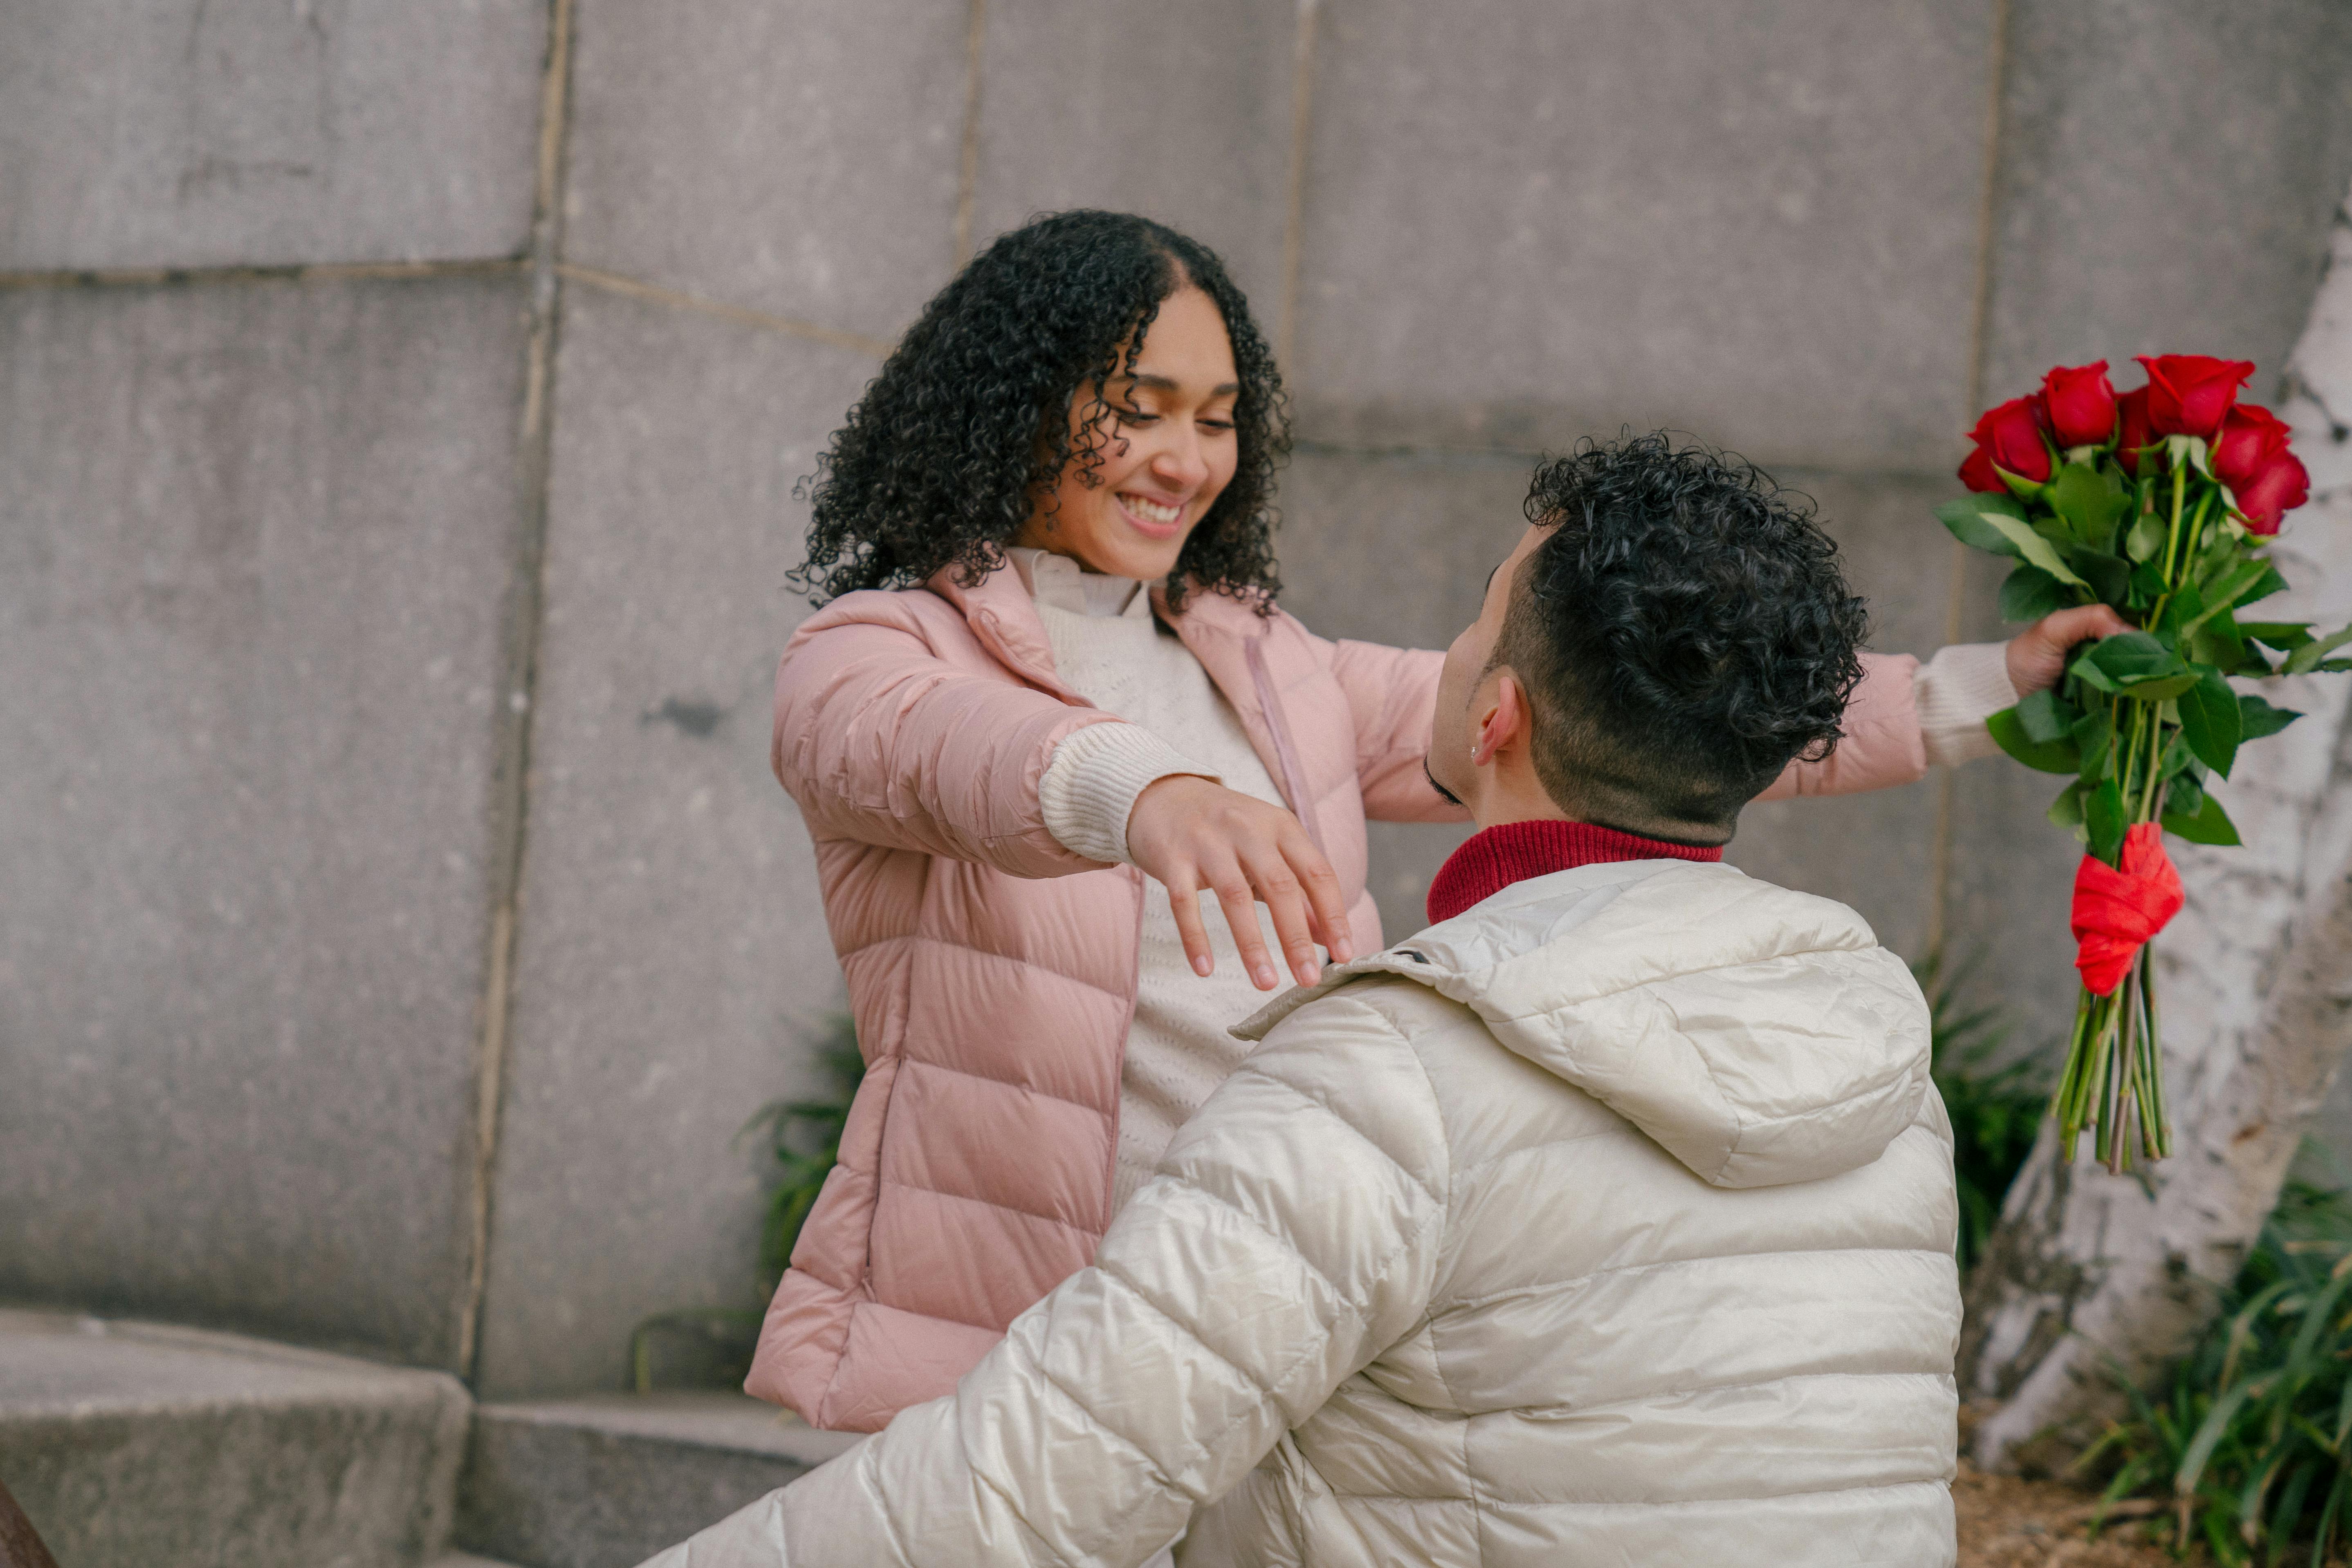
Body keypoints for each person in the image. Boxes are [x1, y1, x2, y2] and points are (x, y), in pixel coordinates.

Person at [750, 209, 2122, 1434]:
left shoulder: (1269, 664)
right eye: (1139, 406)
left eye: (1217, 417)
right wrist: (1143, 794)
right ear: (1014, 406)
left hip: (1260, 1330)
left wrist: (1980, 691)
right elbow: (922, 751)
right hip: (1010, 1348)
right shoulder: (882, 647)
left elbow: (1632, 711)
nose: (1184, 458)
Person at [646, 434, 1967, 1567]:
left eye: (1473, 618)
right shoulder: (1886, 1078)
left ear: (1496, 715)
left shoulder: (1399, 1072)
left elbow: (1029, 1480)